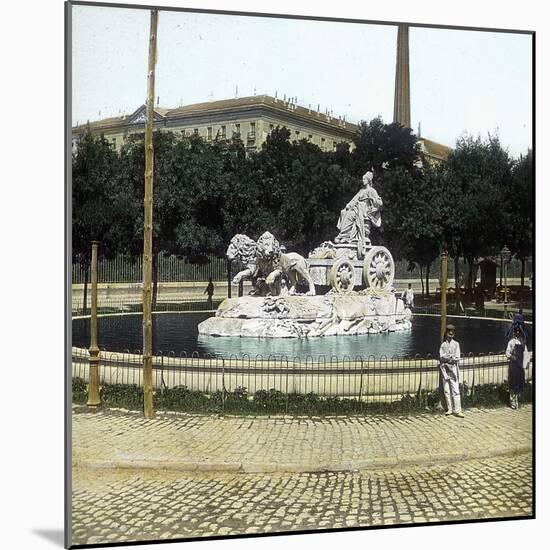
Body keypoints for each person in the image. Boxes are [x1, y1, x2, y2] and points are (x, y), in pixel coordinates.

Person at [335, 170, 382, 258]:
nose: (363, 180)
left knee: (352, 214)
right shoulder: (361, 191)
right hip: (357, 207)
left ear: (368, 180)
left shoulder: (372, 190)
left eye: (364, 179)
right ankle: (344, 236)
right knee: (344, 212)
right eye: (362, 179)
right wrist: (348, 205)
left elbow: (380, 203)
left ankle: (345, 236)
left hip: (364, 210)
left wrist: (372, 200)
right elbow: (354, 200)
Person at [439, 324, 464, 417]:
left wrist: (448, 358)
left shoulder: (456, 344)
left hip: (453, 369)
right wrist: (449, 357)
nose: (450, 336)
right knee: (446, 390)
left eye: (452, 334)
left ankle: (457, 410)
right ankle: (449, 408)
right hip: (445, 369)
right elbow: (441, 357)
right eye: (449, 334)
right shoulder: (443, 345)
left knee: (455, 390)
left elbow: (457, 357)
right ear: (446, 334)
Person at [505, 326, 529, 409]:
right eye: (516, 331)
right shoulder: (511, 342)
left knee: (519, 383)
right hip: (513, 366)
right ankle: (512, 402)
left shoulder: (523, 343)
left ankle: (517, 401)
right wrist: (512, 357)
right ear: (514, 332)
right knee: (513, 383)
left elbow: (526, 354)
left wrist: (525, 364)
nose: (517, 333)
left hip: (520, 366)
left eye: (519, 332)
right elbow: (507, 352)